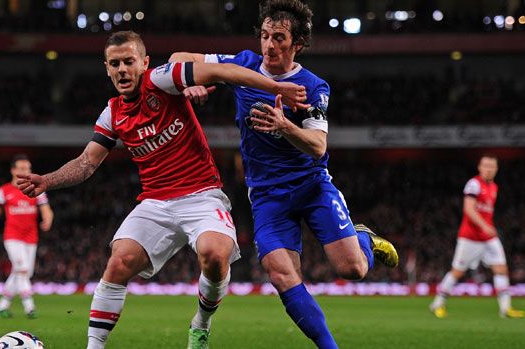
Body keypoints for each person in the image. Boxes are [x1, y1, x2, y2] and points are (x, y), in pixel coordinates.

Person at [16, 31, 308, 349]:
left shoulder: (161, 80)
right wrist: (48, 181)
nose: (122, 70)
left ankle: (201, 324)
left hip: (201, 194)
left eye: (129, 61)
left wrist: (275, 87)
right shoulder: (113, 112)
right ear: (107, 68)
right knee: (119, 262)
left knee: (214, 255)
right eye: (115, 64)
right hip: (155, 201)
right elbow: (87, 163)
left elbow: (222, 71)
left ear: (144, 63)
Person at [169, 1, 399, 347]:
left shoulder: (312, 86)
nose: (269, 45)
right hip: (266, 197)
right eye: (264, 35)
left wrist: (285, 126)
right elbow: (176, 58)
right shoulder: (243, 65)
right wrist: (192, 83)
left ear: (297, 44)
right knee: (280, 274)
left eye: (279, 37)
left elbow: (318, 146)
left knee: (352, 269)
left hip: (312, 187)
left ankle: (364, 237)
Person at [430, 154, 525, 319]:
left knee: (501, 269)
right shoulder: (473, 184)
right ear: (480, 167)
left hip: (488, 238)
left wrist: (487, 228)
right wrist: (484, 226)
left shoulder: (494, 187)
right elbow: (469, 209)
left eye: (492, 166)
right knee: (458, 272)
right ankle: (437, 303)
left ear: (496, 169)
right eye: (486, 166)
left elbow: (486, 213)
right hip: (470, 237)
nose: (489, 169)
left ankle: (505, 309)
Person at [0, 154, 54, 319]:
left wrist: (48, 218)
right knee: (22, 269)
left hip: (31, 237)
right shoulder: (4, 191)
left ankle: (2, 307)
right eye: (22, 168)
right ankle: (29, 307)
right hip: (12, 237)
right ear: (13, 171)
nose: (26, 171)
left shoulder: (35, 189)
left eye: (28, 169)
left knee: (22, 272)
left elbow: (46, 208)